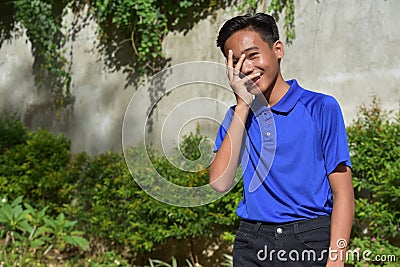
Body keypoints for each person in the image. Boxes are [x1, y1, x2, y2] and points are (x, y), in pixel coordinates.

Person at [209, 13, 354, 267]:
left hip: (310, 241)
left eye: (252, 55)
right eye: (236, 62)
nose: (245, 68)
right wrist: (243, 106)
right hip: (252, 243)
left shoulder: (321, 107)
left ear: (278, 50)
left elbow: (343, 194)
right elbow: (220, 183)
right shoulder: (237, 117)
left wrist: (337, 258)